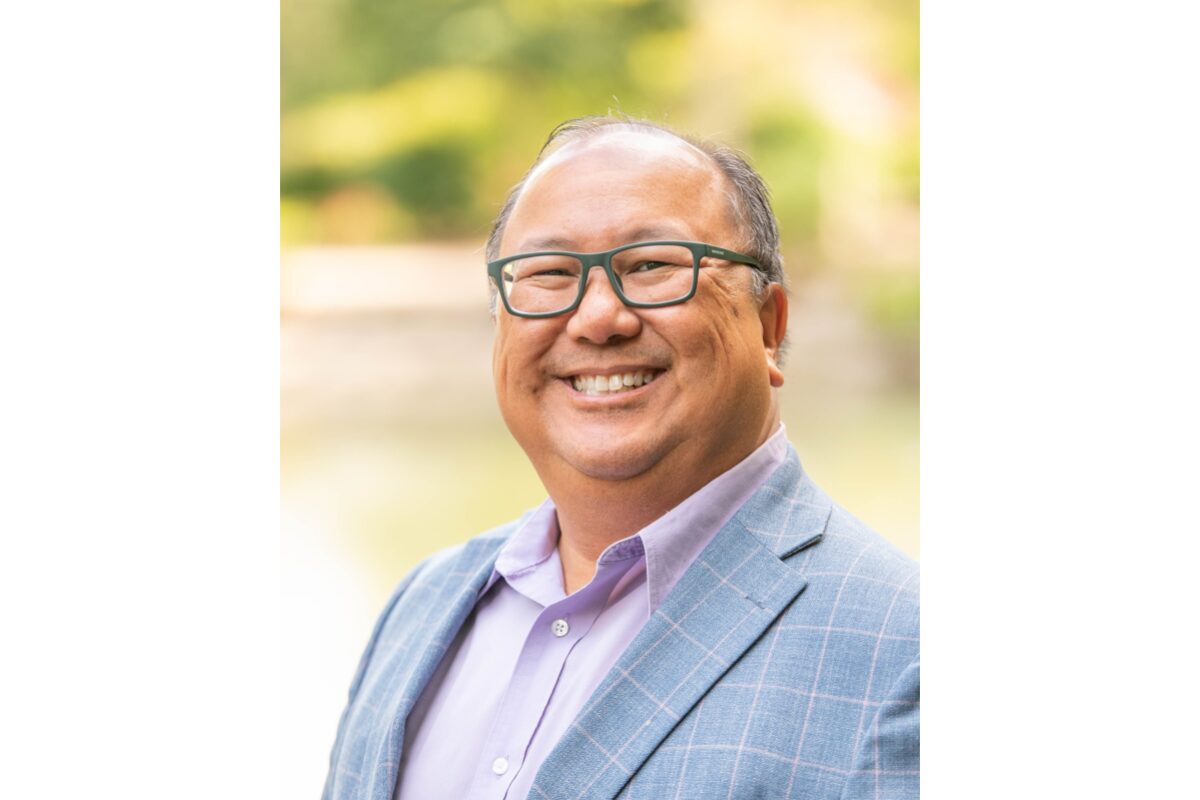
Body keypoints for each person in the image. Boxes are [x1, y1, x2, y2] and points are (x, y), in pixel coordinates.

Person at [322, 116, 919, 800]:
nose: (598, 317)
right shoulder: (424, 604)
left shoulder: (905, 654)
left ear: (769, 325)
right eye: (547, 273)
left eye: (653, 265)